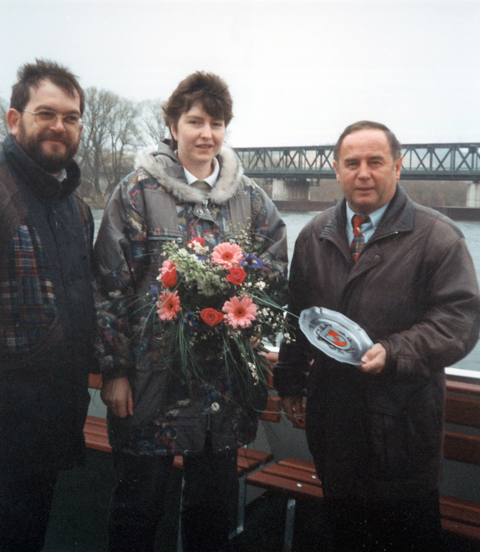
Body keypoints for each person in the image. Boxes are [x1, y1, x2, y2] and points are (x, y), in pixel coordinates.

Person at [94, 71, 288, 552]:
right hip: (149, 386)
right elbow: (109, 287)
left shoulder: (251, 201)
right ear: (174, 125)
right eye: (195, 121)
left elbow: (274, 279)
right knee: (138, 509)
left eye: (216, 123)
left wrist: (254, 332)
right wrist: (114, 372)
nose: (206, 133)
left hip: (221, 391)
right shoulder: (137, 192)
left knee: (210, 513)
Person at [274, 120, 480, 552]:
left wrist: (395, 350)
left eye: (375, 162)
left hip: (402, 434)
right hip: (333, 430)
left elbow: (459, 322)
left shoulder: (438, 238)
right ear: (336, 170)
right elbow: (298, 315)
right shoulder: (314, 236)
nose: (363, 173)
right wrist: (290, 378)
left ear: (398, 168)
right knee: (345, 538)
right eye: (352, 163)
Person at [0, 59, 96, 551]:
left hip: (54, 419)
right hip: (8, 424)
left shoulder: (75, 207)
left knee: (29, 532)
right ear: (14, 120)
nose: (60, 126)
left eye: (72, 116)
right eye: (46, 113)